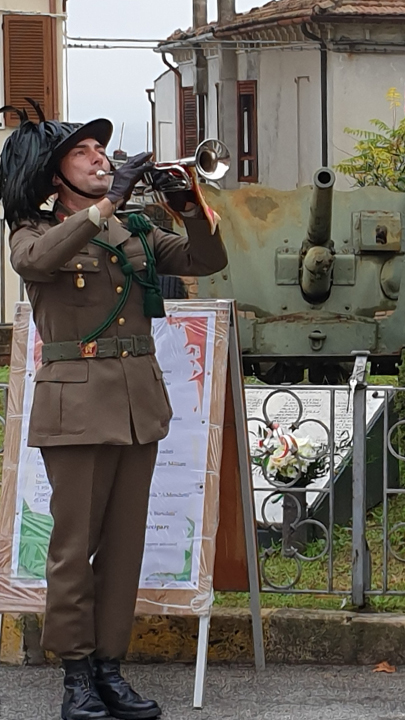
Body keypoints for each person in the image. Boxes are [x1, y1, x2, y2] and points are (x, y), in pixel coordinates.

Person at [0, 106, 228, 720]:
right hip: (75, 407)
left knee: (125, 547)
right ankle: (76, 678)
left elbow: (205, 262)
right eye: (85, 153)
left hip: (136, 404)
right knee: (74, 548)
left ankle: (109, 668)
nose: (102, 158)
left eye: (103, 151)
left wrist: (190, 207)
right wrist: (104, 207)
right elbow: (35, 262)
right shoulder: (29, 228)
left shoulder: (130, 229)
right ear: (55, 176)